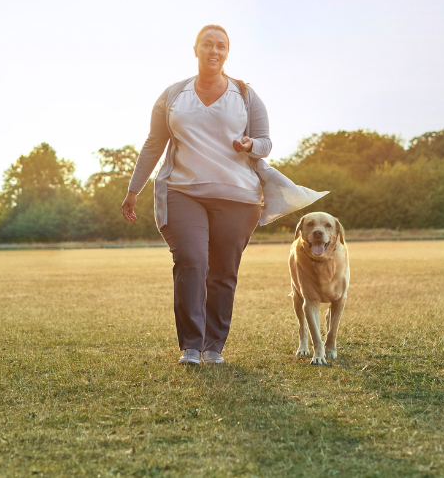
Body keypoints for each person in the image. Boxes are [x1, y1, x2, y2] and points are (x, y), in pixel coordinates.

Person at [122, 24, 326, 365]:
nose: (214, 51)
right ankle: (191, 346)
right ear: (196, 49)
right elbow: (153, 143)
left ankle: (214, 346)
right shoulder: (173, 95)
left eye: (221, 46)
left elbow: (265, 142)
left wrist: (250, 144)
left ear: (227, 52)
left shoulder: (245, 95)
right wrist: (133, 190)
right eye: (207, 45)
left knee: (223, 271)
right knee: (191, 261)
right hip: (183, 192)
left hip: (238, 198)